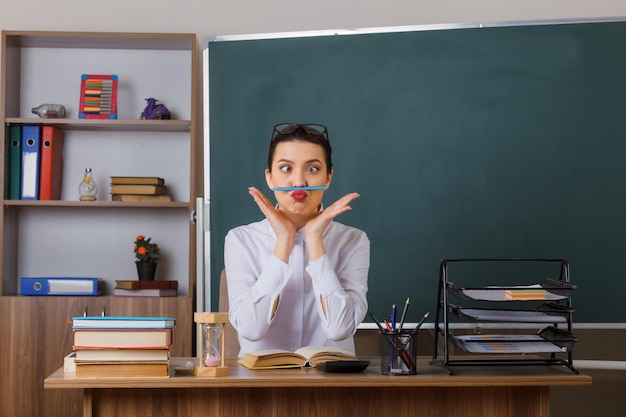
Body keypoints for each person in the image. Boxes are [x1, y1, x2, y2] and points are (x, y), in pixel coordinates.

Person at [224, 123, 370, 357]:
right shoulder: (241, 240)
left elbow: (339, 329)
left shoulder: (354, 240)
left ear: (328, 177)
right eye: (286, 168)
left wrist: (314, 240)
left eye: (312, 169)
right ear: (270, 178)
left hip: (331, 383)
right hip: (261, 384)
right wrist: (285, 240)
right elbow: (251, 329)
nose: (299, 182)